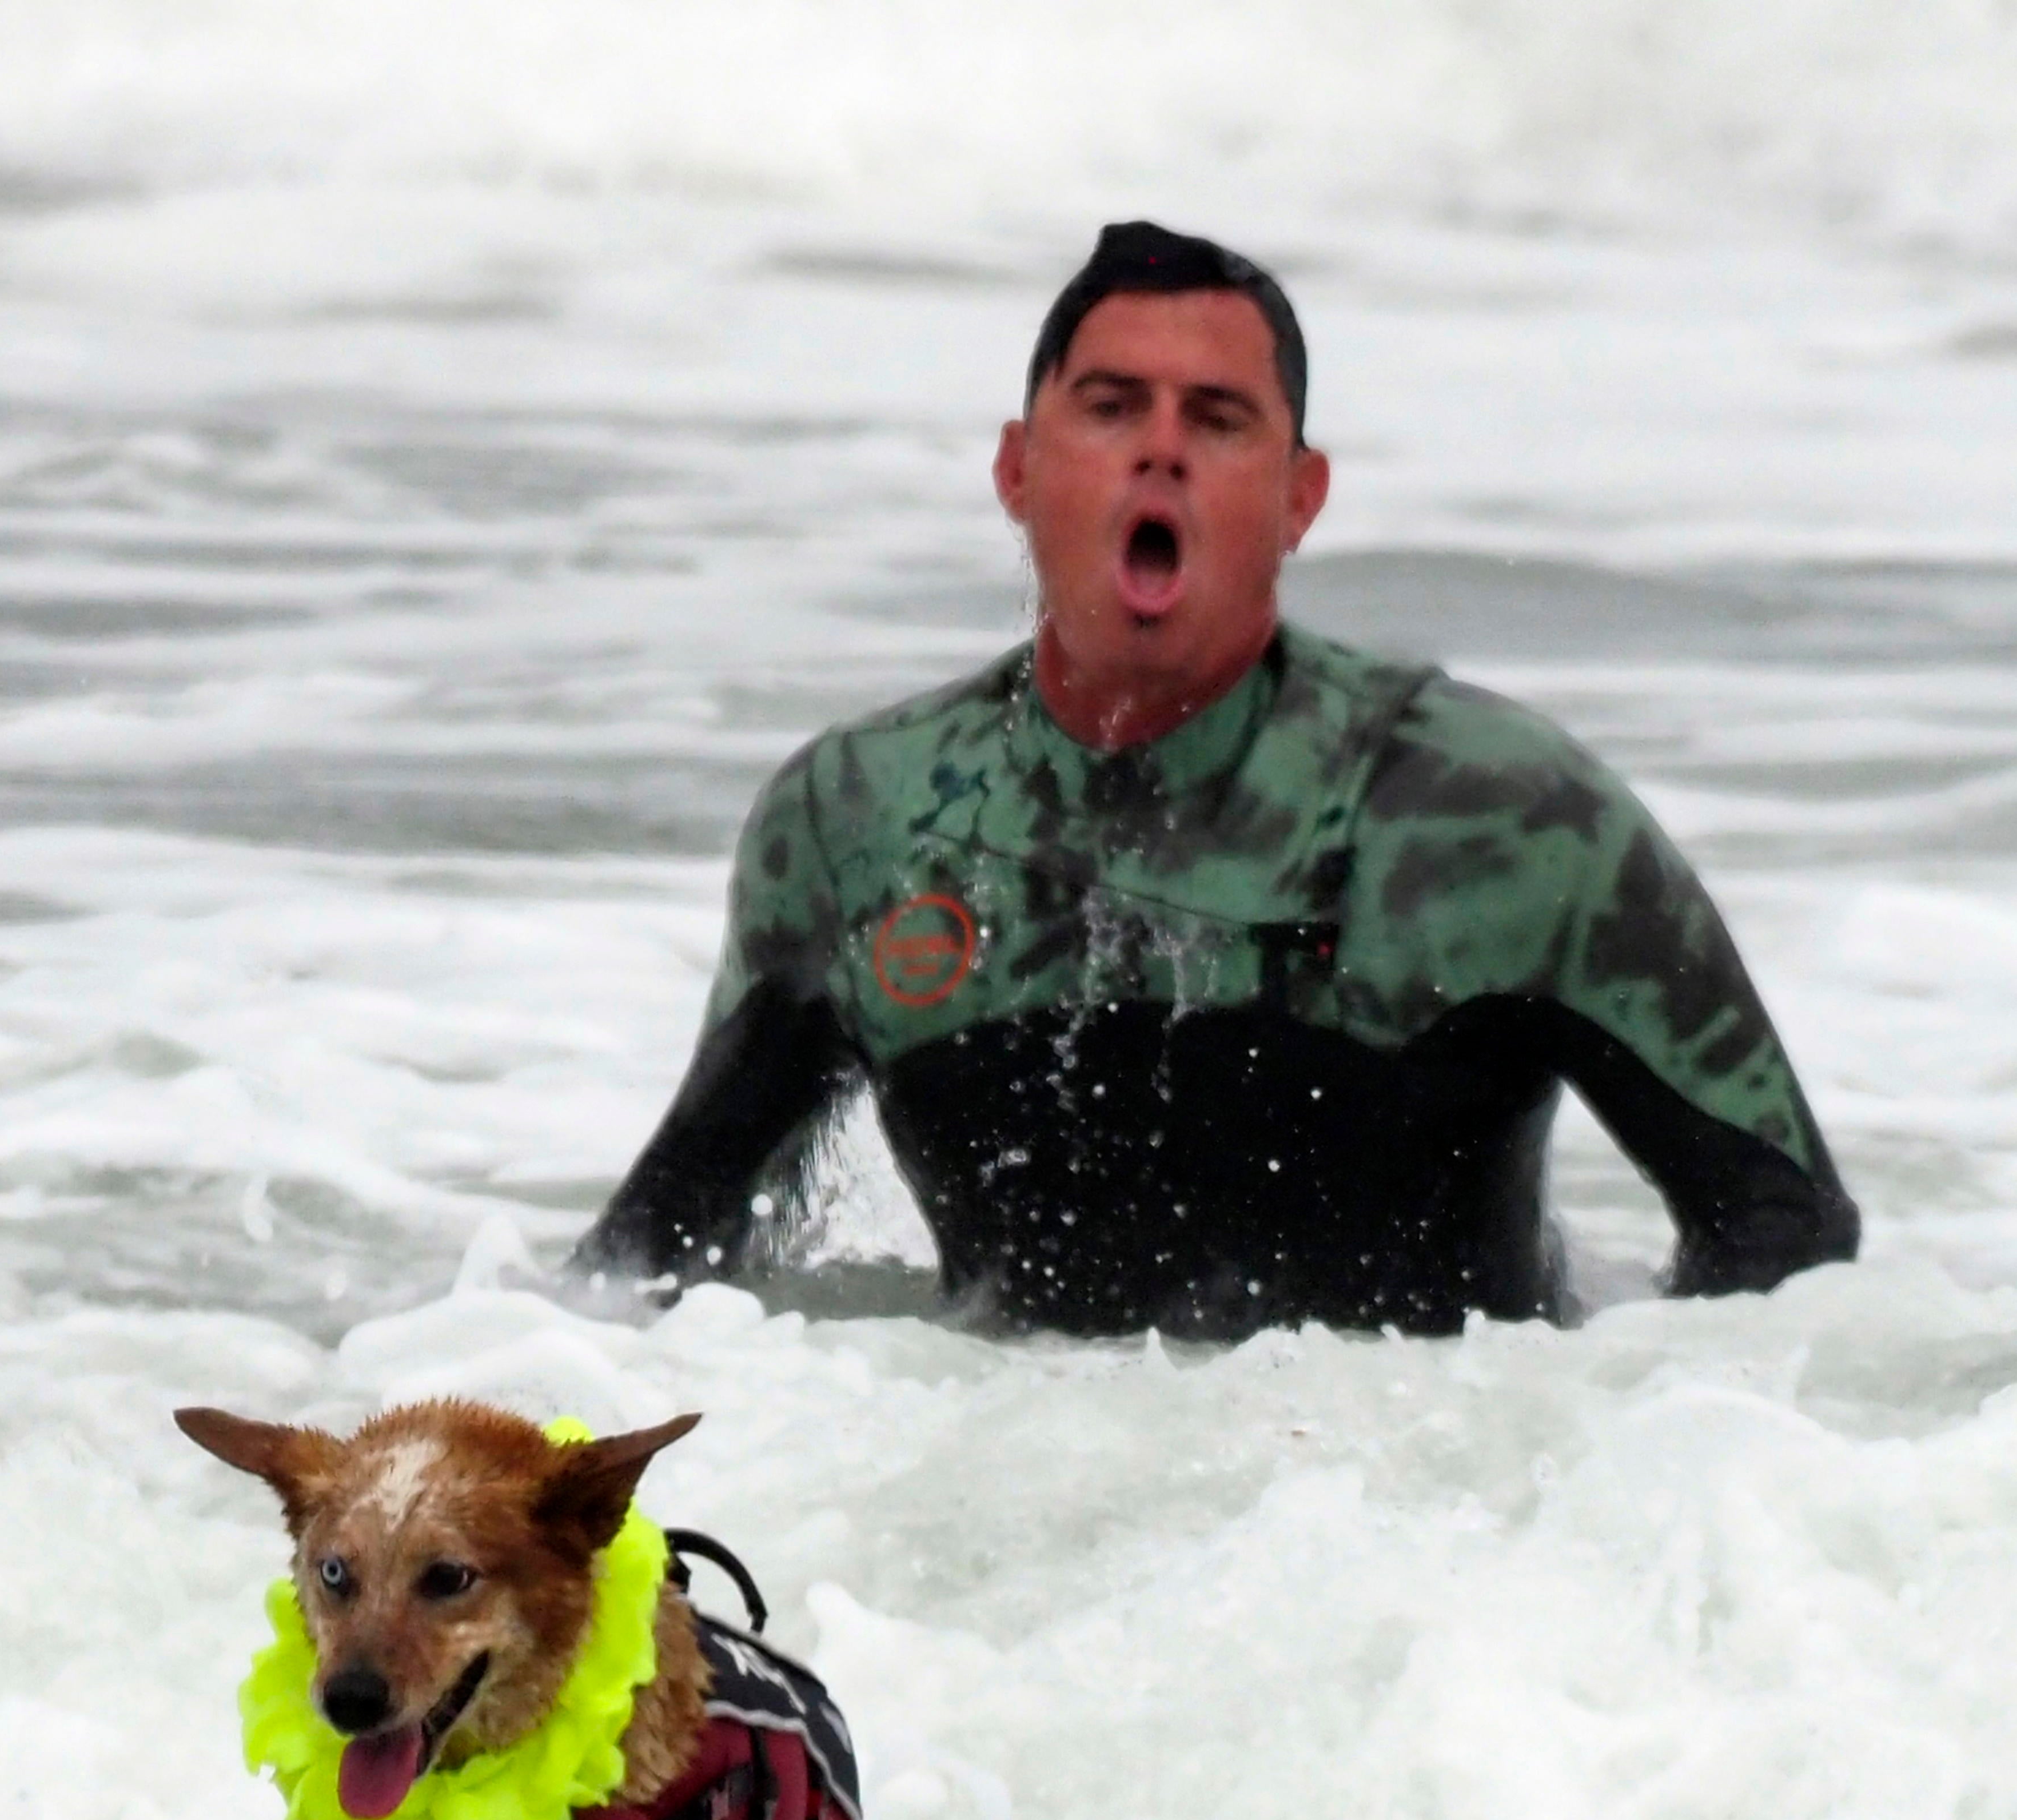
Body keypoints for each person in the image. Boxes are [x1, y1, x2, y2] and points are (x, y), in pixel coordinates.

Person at [574, 221, 1859, 1340]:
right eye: (1111, 406)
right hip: (999, 1529)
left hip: (1439, 1551)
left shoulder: (1503, 819)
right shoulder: (861, 824)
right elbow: (645, 1286)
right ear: (1019, 471)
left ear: (1298, 498)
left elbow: (1787, 1252)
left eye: (1218, 419)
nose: (1161, 451)